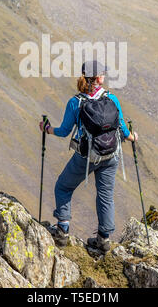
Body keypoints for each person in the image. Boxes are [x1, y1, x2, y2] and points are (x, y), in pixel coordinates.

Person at [39, 60, 138, 253]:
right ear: (98, 77)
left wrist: (47, 129)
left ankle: (62, 230)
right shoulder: (112, 99)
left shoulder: (76, 102)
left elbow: (64, 131)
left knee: (63, 186)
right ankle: (103, 239)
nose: (105, 76)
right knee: (106, 196)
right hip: (111, 155)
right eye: (103, 73)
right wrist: (134, 137)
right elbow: (124, 131)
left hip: (87, 157)